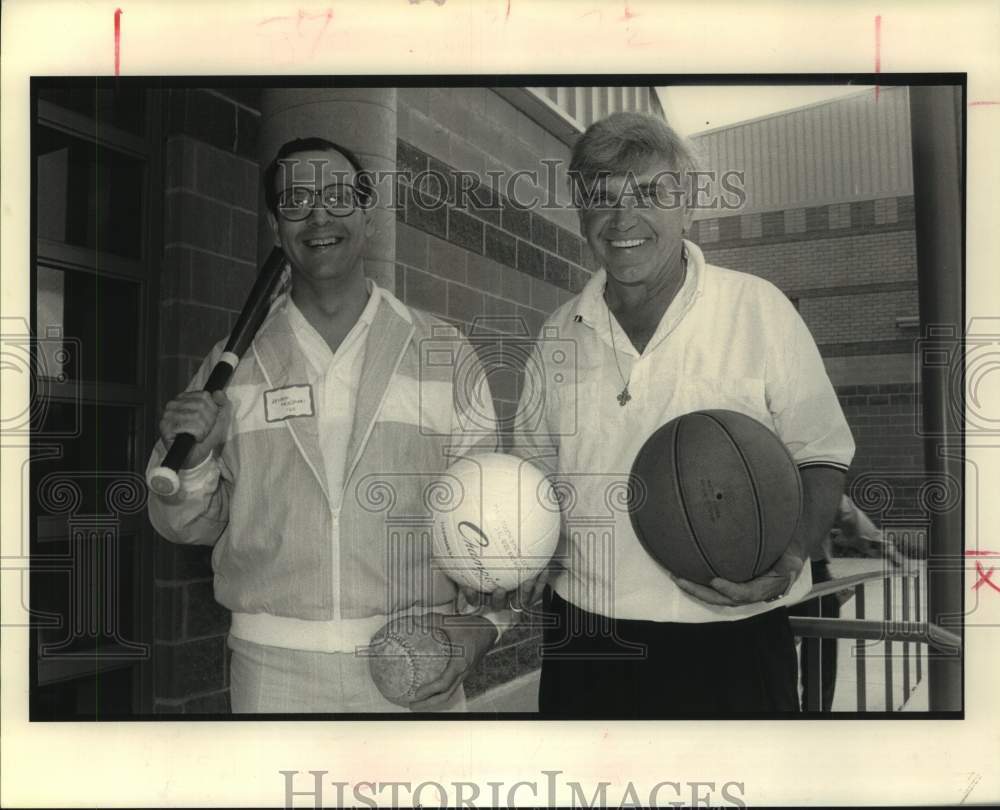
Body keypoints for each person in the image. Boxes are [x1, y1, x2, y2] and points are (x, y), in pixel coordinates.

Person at [511, 112, 856, 717]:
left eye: (649, 194)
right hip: (587, 641)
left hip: (732, 636)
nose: (624, 220)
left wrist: (792, 557)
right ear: (580, 211)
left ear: (689, 204)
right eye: (603, 198)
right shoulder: (557, 334)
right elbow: (532, 472)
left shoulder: (756, 307)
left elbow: (822, 452)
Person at [147, 137, 506, 713]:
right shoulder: (228, 367)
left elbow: (495, 518)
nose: (319, 215)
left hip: (419, 659)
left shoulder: (445, 352)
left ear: (368, 213)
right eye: (297, 200)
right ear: (275, 225)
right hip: (272, 670)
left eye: (339, 195)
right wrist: (195, 463)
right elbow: (183, 525)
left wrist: (483, 624)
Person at [791, 495, 904, 711]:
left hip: (773, 570)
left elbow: (844, 510)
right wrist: (887, 549)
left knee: (780, 648)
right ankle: (816, 712)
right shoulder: (809, 473)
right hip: (810, 571)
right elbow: (844, 510)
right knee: (820, 650)